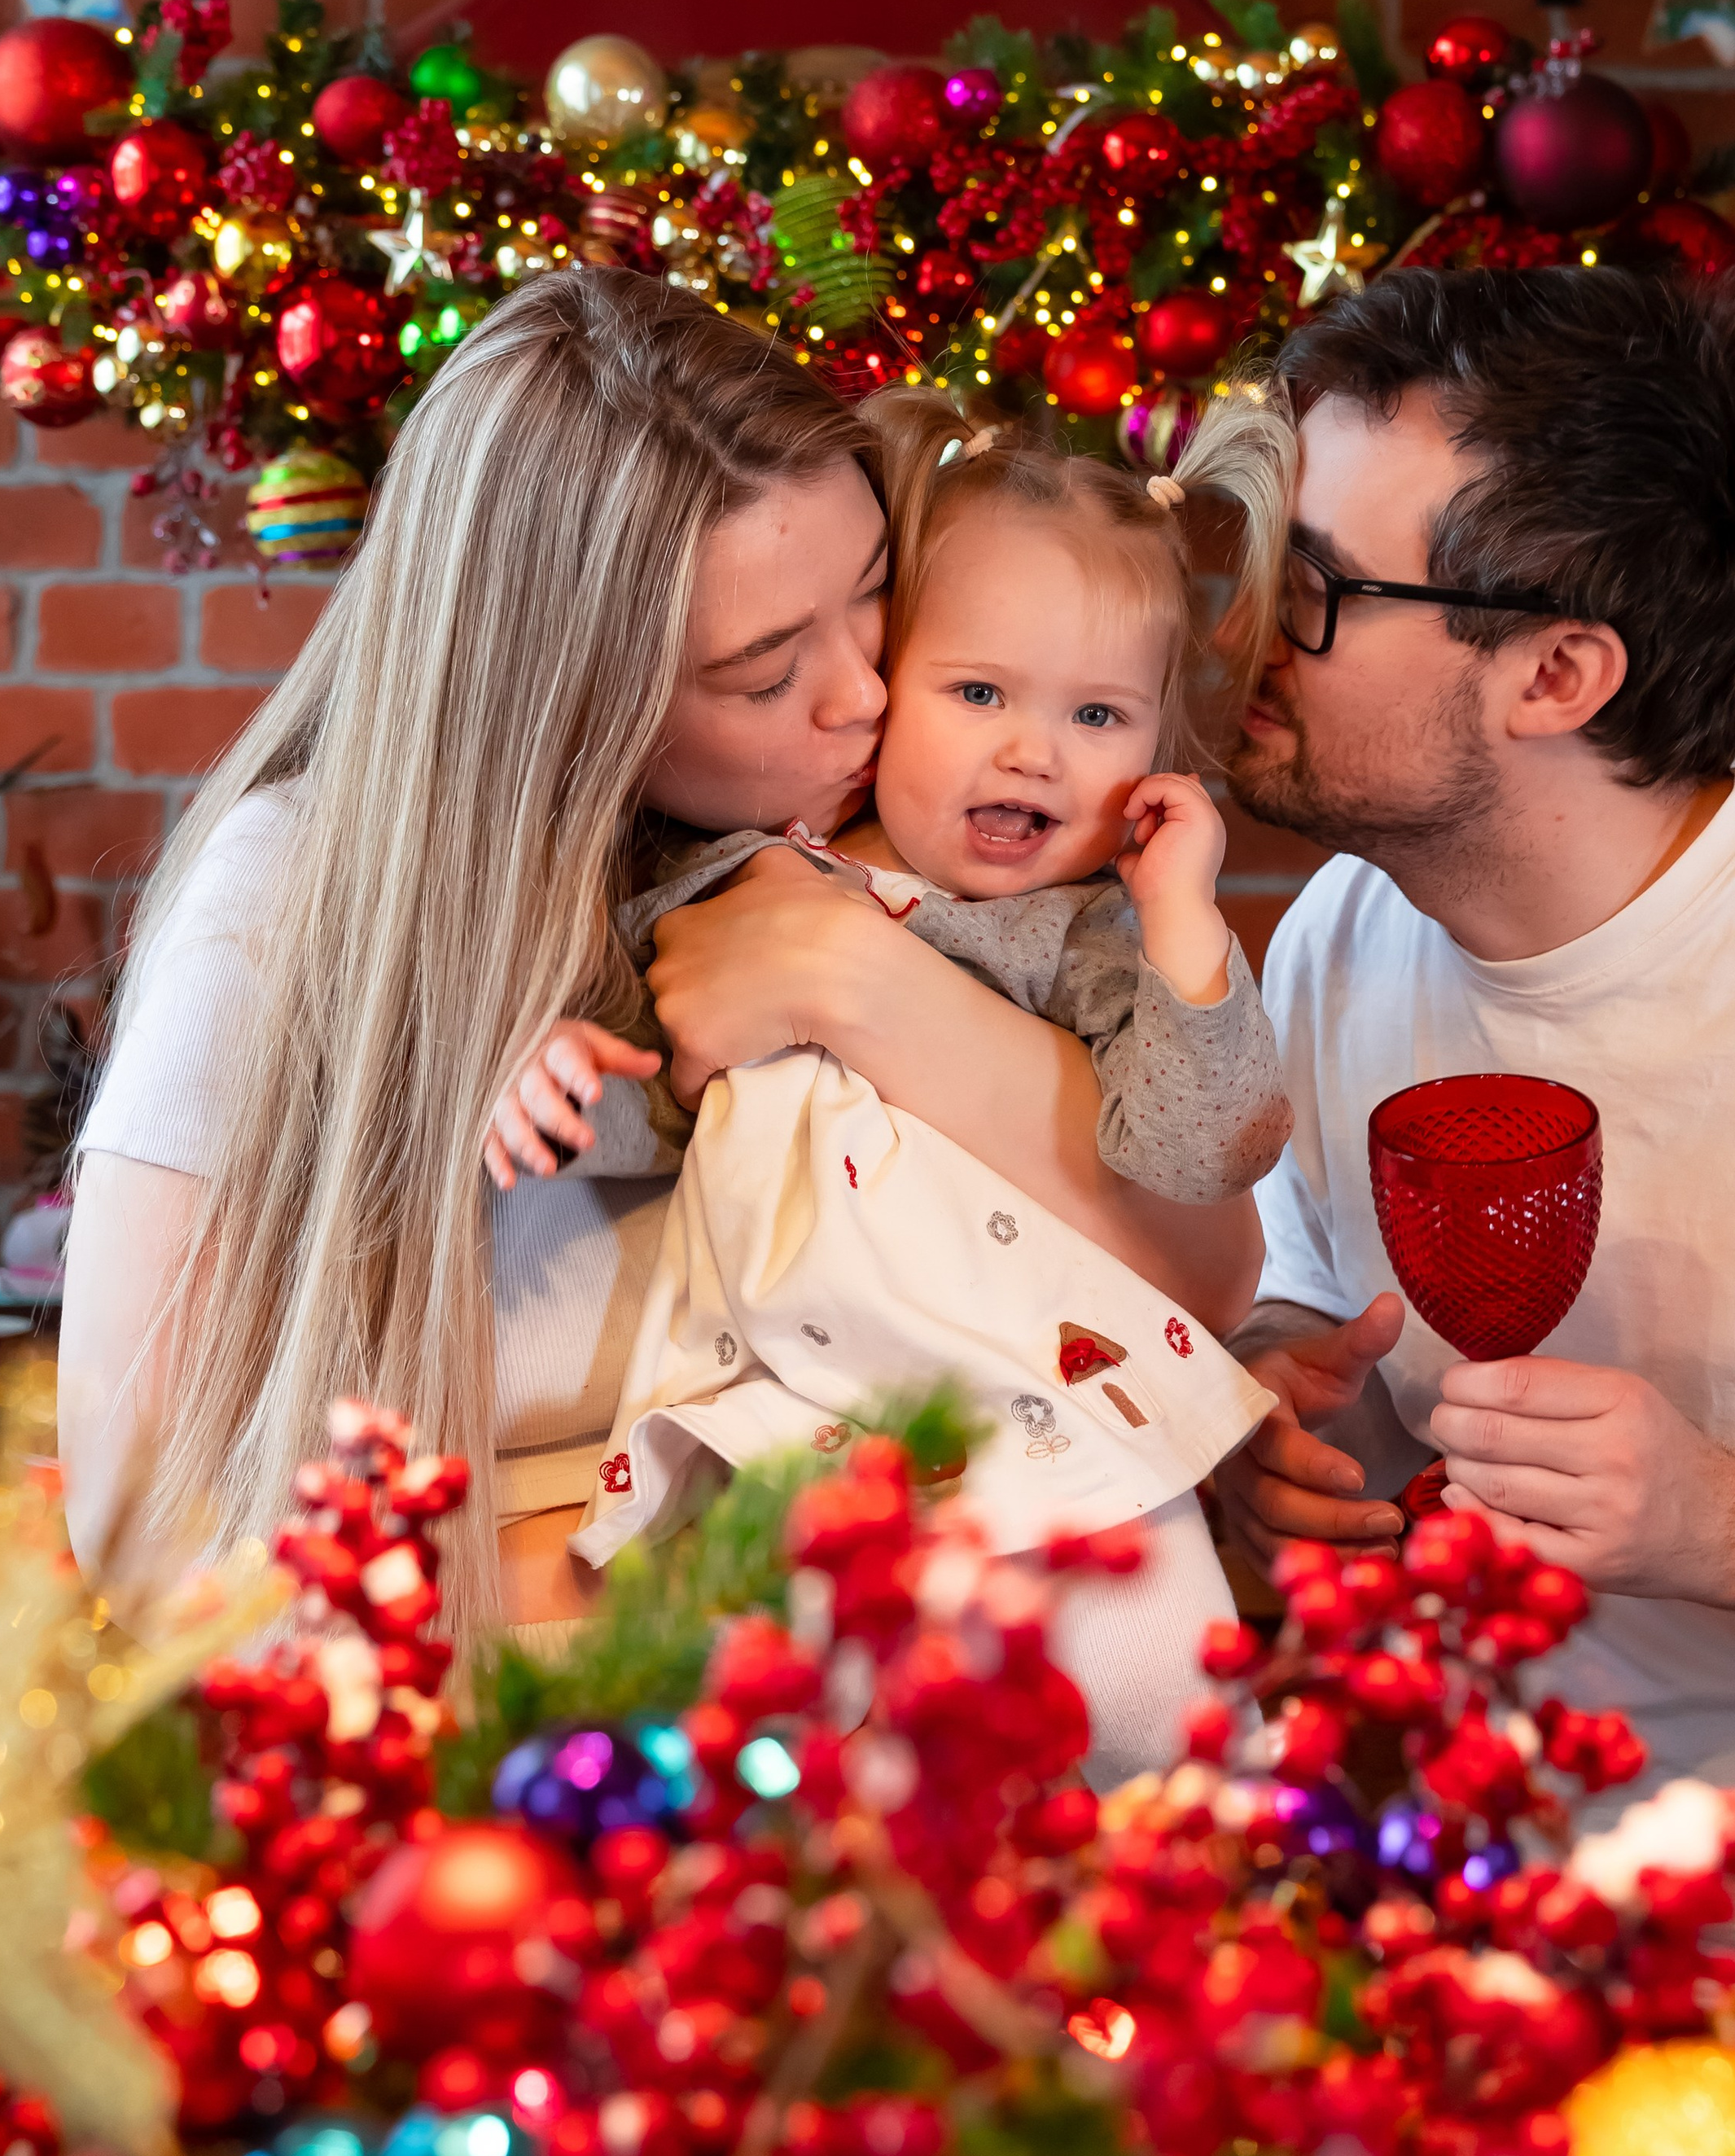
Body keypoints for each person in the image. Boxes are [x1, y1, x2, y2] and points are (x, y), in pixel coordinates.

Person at [62, 268, 1255, 1639]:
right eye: (762, 671)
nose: (862, 693)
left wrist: (844, 978)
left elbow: (1202, 1272)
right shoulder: (286, 900)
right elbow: (137, 1519)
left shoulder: (887, 850)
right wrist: (655, 1597)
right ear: (569, 698)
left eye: (873, 595)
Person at [1215, 257, 1735, 1913]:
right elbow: (1300, 1295)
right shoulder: (1352, 921)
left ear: (1555, 677)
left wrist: (1734, 1526)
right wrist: (1277, 1396)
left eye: (1319, 589)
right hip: (1480, 1910)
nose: (1245, 624)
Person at [554, 392, 1297, 1771]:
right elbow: (640, 1081)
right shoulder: (732, 877)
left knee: (1150, 1734)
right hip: (792, 1410)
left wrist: (1189, 924)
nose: (1035, 751)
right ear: (887, 692)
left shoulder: (1083, 940)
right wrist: (535, 1068)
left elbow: (1197, 1153)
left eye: (1098, 713)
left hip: (1049, 1413)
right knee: (794, 1775)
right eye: (978, 694)